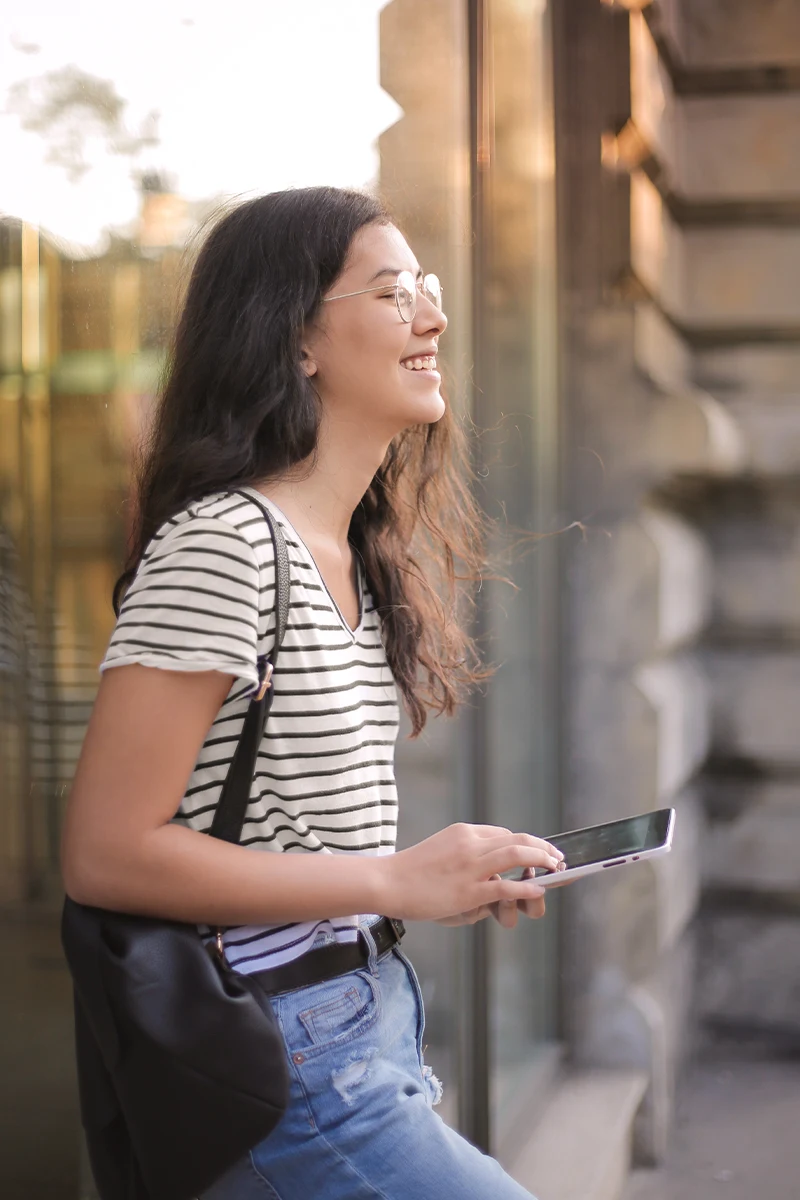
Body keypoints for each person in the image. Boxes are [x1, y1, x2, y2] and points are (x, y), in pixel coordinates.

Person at [61, 186, 563, 1199]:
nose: (432, 316)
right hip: (275, 1055)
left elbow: (289, 840)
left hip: (362, 1020)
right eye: (391, 292)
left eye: (426, 287)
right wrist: (391, 880)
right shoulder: (226, 544)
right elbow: (104, 852)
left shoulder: (348, 545)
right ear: (297, 342)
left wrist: (443, 878)